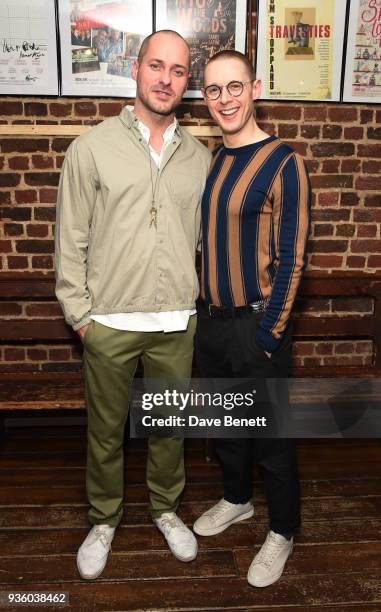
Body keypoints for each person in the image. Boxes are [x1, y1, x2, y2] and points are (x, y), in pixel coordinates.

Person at [55, 29, 211, 580]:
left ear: (186, 82)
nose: (165, 79)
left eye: (178, 70)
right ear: (136, 69)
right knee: (104, 431)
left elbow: (203, 240)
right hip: (109, 324)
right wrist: (81, 318)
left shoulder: (199, 157)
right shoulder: (91, 148)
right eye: (156, 66)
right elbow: (69, 239)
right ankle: (103, 519)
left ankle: (166, 510)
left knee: (171, 427)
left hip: (175, 320)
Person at [193, 50, 311, 587]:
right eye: (214, 90)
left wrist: (269, 333)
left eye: (234, 86)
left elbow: (292, 256)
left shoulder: (284, 162)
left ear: (255, 87)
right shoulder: (217, 160)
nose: (225, 100)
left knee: (272, 438)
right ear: (206, 98)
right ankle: (237, 500)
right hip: (212, 323)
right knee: (226, 428)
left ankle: (283, 530)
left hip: (256, 325)